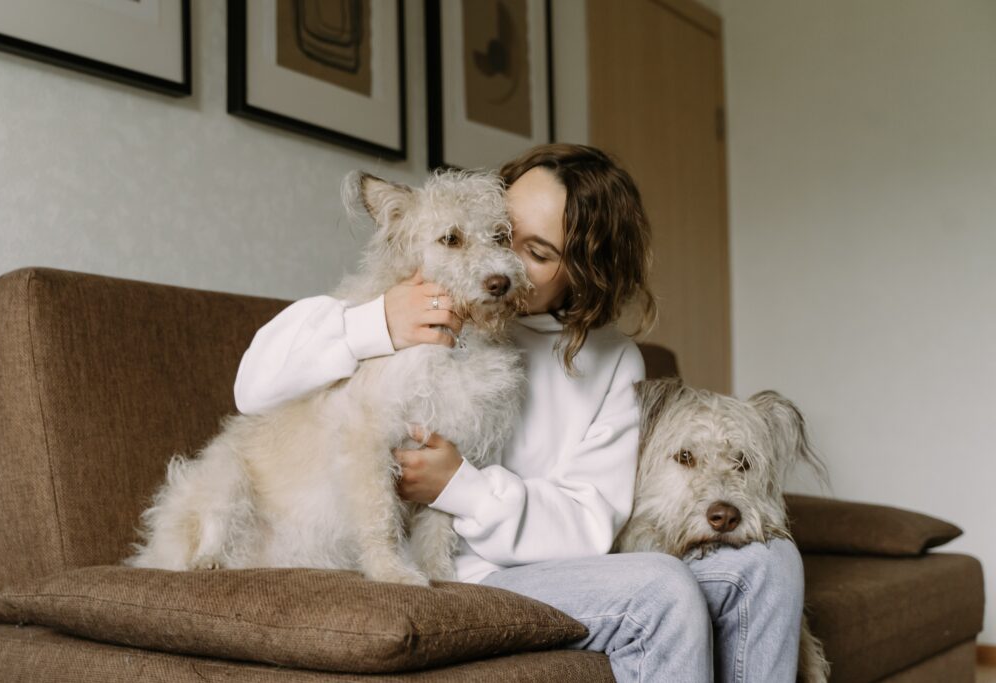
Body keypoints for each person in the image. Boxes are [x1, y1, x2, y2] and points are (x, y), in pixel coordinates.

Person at [233, 144, 804, 682]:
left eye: (535, 253)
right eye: (502, 231)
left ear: (585, 270)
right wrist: (377, 322)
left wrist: (462, 487)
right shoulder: (416, 298)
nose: (497, 261)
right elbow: (253, 385)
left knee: (771, 564)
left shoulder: (610, 361)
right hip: (453, 569)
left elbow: (588, 522)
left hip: (541, 564)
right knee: (661, 587)